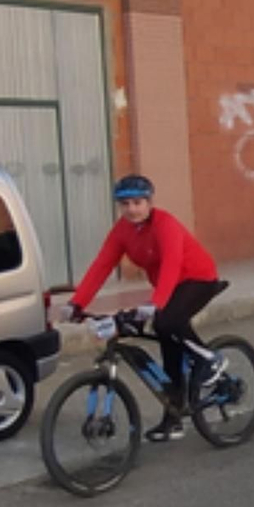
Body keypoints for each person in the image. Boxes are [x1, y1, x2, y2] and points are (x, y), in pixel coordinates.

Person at [68, 173, 226, 443]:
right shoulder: (122, 230)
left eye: (138, 202)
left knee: (166, 322)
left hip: (197, 278)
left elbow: (172, 263)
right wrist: (77, 303)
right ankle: (173, 419)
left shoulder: (166, 224)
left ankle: (210, 360)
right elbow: (102, 265)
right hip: (169, 287)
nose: (131, 209)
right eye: (125, 204)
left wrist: (156, 304)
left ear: (149, 202)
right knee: (169, 347)